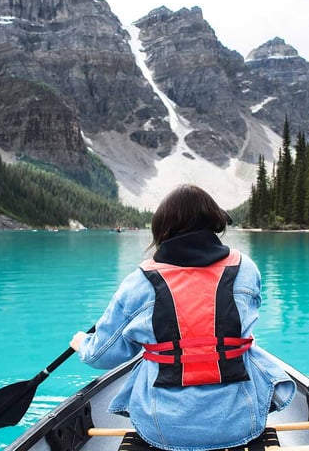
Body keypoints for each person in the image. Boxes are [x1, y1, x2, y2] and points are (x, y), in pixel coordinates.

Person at [70, 184, 295, 451]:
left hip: (163, 430)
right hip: (240, 422)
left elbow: (103, 356)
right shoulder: (246, 269)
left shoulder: (139, 282)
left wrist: (83, 344)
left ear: (161, 230)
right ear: (214, 222)